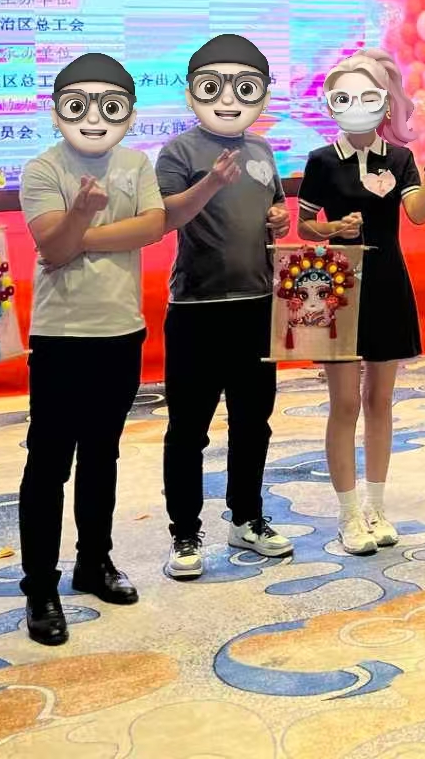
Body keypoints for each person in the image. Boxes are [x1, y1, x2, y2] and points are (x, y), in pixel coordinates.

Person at [16, 53, 165, 645]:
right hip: (60, 335)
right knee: (48, 462)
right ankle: (39, 587)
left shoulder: (137, 163)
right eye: (79, 105)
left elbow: (152, 227)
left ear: (129, 113)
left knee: (103, 454)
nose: (95, 117)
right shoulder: (41, 169)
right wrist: (75, 218)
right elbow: (52, 249)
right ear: (57, 113)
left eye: (110, 105)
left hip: (121, 330)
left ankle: (94, 562)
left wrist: (80, 232)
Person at [297, 48, 425, 555]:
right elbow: (304, 226)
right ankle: (347, 515)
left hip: (387, 283)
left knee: (380, 401)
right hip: (338, 286)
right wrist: (333, 230)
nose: (357, 105)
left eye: (368, 96)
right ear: (332, 104)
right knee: (343, 403)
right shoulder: (321, 160)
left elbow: (419, 214)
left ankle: (377, 508)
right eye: (346, 97)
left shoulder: (399, 159)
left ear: (384, 103)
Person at [157, 34, 293, 579]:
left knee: (253, 422)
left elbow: (274, 208)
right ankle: (184, 532)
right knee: (188, 428)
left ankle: (247, 517)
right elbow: (166, 216)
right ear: (193, 92)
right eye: (215, 86)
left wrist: (280, 219)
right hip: (196, 307)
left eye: (245, 87)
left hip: (257, 306)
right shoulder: (179, 152)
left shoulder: (262, 151)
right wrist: (211, 182)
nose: (230, 99)